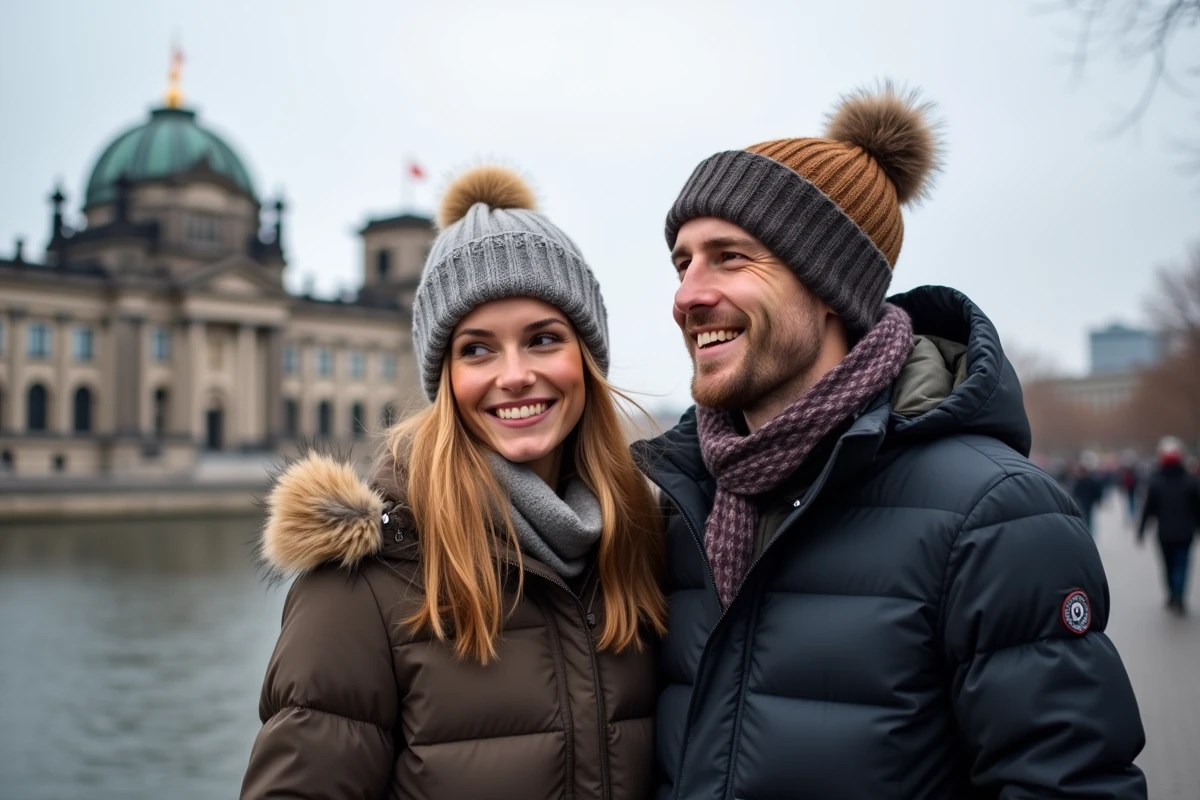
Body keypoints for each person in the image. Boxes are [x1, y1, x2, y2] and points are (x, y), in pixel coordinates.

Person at [633, 83, 1146, 798]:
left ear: (829, 287)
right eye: (682, 262)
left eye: (729, 257)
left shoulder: (993, 515)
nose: (688, 295)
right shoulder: (684, 508)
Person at [242, 166, 666, 799]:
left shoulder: (645, 543)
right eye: (476, 349)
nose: (515, 374)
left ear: (587, 358)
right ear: (442, 379)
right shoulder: (364, 581)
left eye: (544, 338)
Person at [1139, 436, 1200, 614]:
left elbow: (1148, 509)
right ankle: (1178, 596)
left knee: (1168, 566)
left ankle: (1173, 594)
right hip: (1185, 533)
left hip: (1164, 533)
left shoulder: (1156, 482)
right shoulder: (1191, 481)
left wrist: (1141, 530)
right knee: (1182, 566)